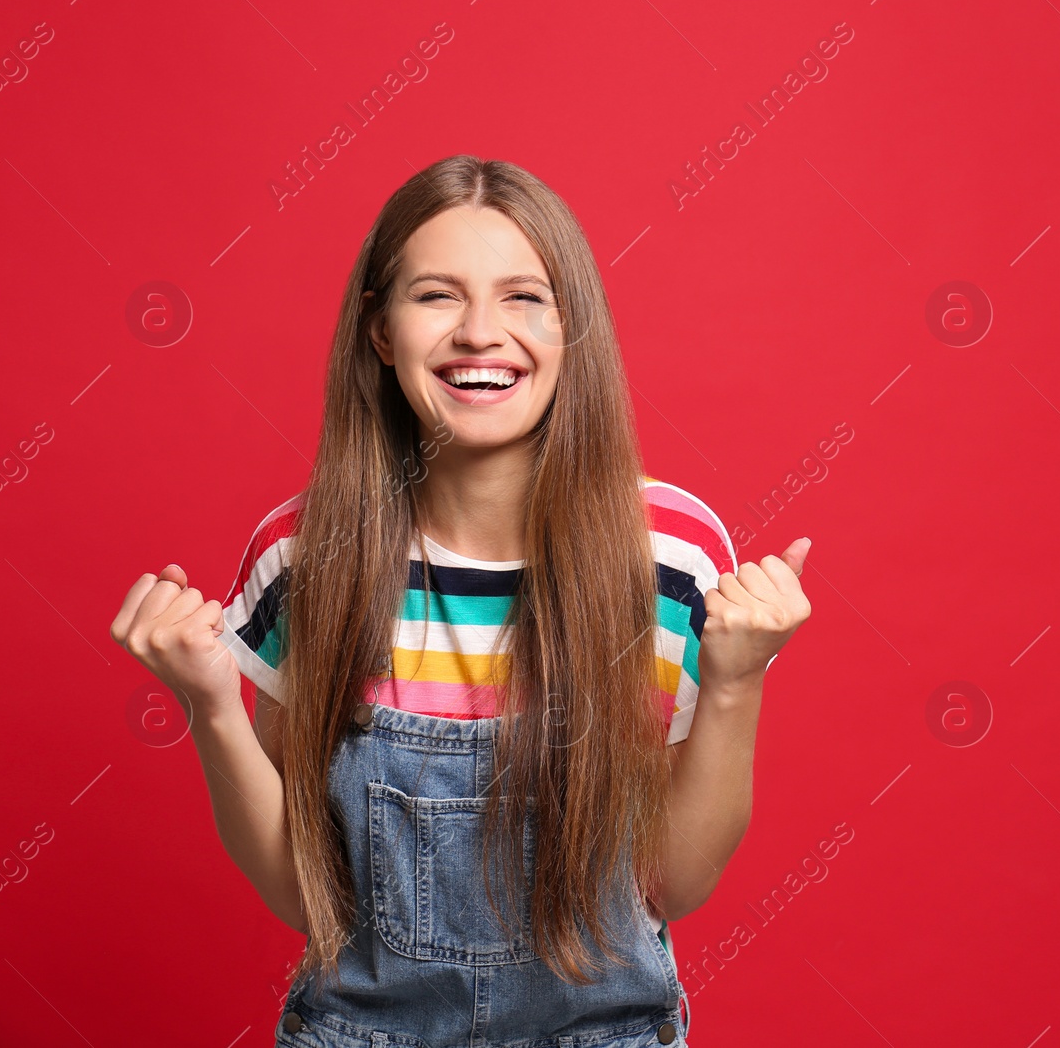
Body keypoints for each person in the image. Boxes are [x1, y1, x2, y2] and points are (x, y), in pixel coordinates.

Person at [109, 155, 812, 1047]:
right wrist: (208, 700)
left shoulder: (668, 554)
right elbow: (299, 892)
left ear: (572, 330)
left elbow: (674, 881)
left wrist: (735, 682)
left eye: (524, 297)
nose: (482, 333)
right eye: (437, 295)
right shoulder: (304, 557)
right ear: (379, 330)